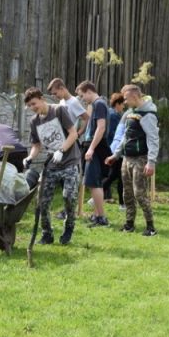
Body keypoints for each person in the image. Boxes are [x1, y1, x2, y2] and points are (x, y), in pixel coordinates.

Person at [23, 87, 80, 245]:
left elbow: (73, 134)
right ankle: (47, 234)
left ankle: (69, 227)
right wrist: (30, 157)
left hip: (69, 161)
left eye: (34, 103)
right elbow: (36, 145)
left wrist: (61, 150)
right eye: (30, 106)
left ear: (42, 98)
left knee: (69, 197)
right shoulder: (34, 121)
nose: (33, 107)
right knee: (42, 201)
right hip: (52, 164)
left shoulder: (59, 110)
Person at [105, 84, 159, 236]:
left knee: (139, 194)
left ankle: (150, 227)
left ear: (135, 97)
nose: (125, 102)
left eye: (127, 99)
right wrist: (115, 155)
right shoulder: (130, 113)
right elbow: (126, 137)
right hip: (126, 159)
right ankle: (129, 224)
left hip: (141, 159)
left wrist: (151, 162)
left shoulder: (148, 115)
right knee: (127, 194)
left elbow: (154, 139)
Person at [47, 78, 89, 220]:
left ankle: (69, 211)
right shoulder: (62, 102)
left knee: (70, 179)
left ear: (62, 88)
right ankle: (67, 209)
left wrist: (79, 133)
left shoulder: (73, 102)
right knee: (62, 177)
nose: (55, 96)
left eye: (55, 93)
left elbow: (86, 117)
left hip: (71, 143)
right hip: (61, 142)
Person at [76, 81, 111, 227]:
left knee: (93, 181)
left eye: (82, 95)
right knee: (93, 182)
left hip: (96, 146)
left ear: (89, 91)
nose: (83, 99)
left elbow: (101, 128)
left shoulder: (99, 104)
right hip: (93, 145)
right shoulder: (96, 105)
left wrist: (91, 148)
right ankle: (97, 215)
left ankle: (101, 217)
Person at [102, 93, 125, 207]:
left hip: (112, 147)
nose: (123, 107)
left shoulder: (110, 113)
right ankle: (122, 203)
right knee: (116, 175)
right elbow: (114, 133)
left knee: (113, 175)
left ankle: (101, 195)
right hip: (115, 148)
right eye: (122, 105)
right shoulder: (115, 116)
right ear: (117, 104)